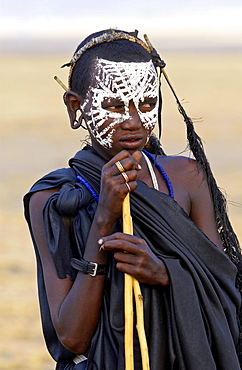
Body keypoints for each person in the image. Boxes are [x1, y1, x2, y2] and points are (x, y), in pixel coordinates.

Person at [24, 29, 242, 369]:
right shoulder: (55, 199)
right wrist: (103, 217)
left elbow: (224, 292)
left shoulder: (187, 178)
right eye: (113, 105)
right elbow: (72, 337)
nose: (135, 122)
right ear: (75, 107)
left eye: (147, 104)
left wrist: (166, 273)